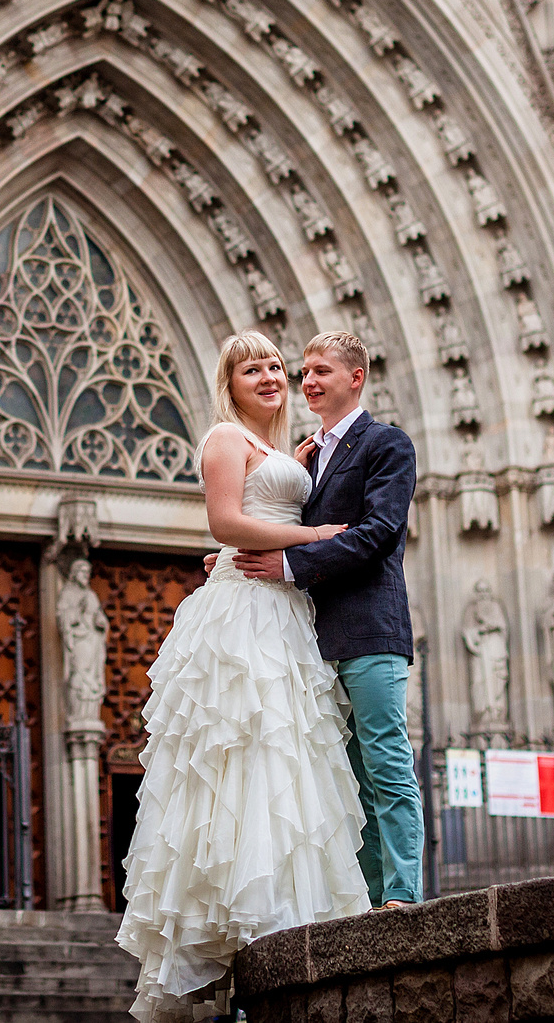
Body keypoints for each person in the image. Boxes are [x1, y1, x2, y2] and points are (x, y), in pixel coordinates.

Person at [117, 332, 369, 1023]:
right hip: (247, 610)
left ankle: (286, 917)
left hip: (284, 609)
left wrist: (301, 472)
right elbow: (228, 519)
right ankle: (245, 920)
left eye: (275, 367)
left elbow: (262, 510)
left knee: (289, 757)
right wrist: (316, 539)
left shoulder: (286, 452)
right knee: (244, 750)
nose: (269, 376)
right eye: (251, 367)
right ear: (228, 383)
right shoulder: (224, 438)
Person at [232, 330, 424, 910]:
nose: (307, 381)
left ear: (355, 377)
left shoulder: (387, 444)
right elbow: (280, 522)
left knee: (386, 760)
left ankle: (404, 892)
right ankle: (361, 900)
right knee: (345, 780)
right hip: (313, 641)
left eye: (322, 371)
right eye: (305, 372)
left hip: (369, 630)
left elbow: (377, 533)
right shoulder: (311, 456)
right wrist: (237, 560)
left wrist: (289, 563)